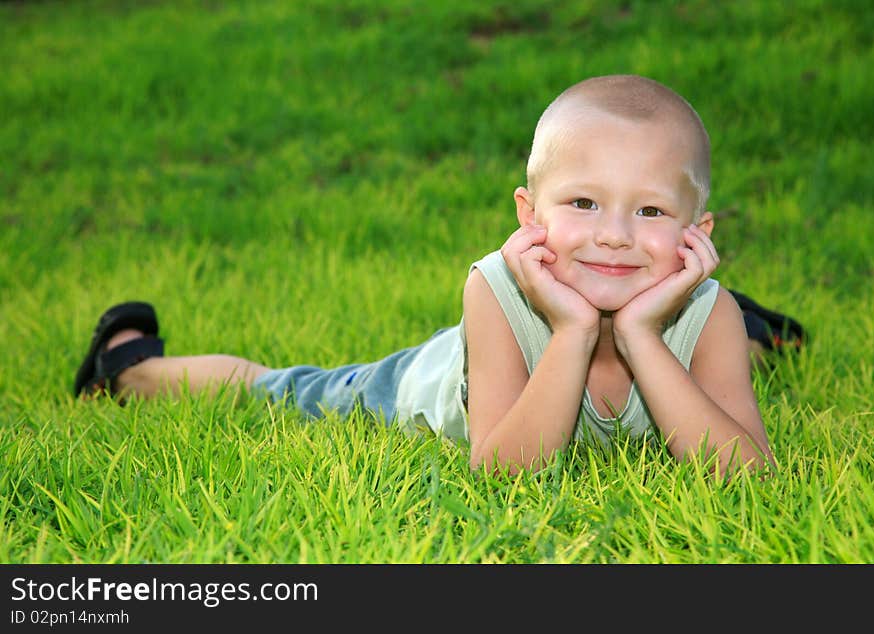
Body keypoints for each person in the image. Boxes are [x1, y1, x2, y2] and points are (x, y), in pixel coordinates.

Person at [74, 74, 804, 475]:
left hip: (684, 316)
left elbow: (748, 475)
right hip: (419, 384)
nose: (613, 235)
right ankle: (128, 368)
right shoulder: (494, 288)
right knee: (288, 390)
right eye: (583, 203)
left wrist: (645, 334)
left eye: (648, 211)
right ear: (529, 216)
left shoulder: (704, 309)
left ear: (694, 236)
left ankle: (756, 337)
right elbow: (507, 474)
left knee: (717, 335)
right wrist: (576, 327)